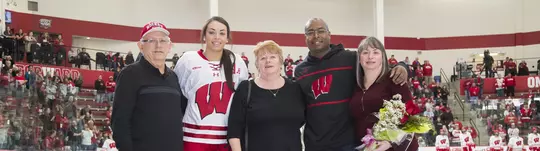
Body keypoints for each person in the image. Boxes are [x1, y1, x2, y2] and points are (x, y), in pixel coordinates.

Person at [294, 18, 409, 151]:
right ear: (305, 37)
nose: (316, 36)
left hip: (348, 143)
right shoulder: (300, 71)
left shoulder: (350, 58)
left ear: (329, 34)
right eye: (310, 32)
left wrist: (402, 66)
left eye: (321, 31)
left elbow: (378, 65)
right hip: (314, 145)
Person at [174, 16, 249, 151]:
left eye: (222, 33)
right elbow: (179, 94)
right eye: (211, 32)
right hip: (193, 137)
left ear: (227, 38)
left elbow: (241, 100)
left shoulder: (237, 61)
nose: (216, 37)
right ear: (204, 36)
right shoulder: (188, 60)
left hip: (226, 138)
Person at [111, 22, 184, 151]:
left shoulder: (174, 77)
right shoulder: (129, 74)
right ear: (140, 46)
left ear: (170, 46)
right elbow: (120, 122)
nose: (158, 45)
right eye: (151, 41)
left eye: (163, 40)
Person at [227, 40, 305, 151]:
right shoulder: (246, 88)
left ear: (280, 61)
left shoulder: (295, 89)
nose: (268, 61)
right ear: (257, 64)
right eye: (262, 58)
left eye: (273, 57)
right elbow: (234, 130)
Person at [349, 37, 418, 151]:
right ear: (359, 58)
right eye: (365, 52)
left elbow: (412, 117)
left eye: (375, 52)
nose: (370, 56)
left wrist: (390, 142)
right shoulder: (355, 85)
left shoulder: (395, 79)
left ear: (383, 57)